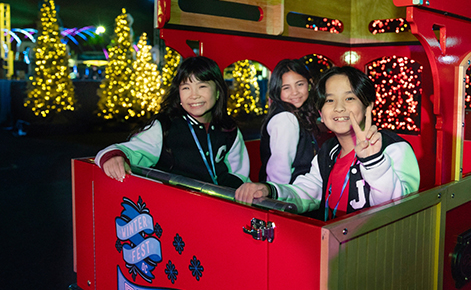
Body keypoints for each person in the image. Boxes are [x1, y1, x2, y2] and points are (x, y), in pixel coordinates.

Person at [236, 66, 419, 219]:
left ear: (368, 106)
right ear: (321, 113)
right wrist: (269, 190)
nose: (339, 108)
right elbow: (306, 192)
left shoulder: (394, 149)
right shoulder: (329, 151)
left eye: (349, 98)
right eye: (330, 100)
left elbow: (398, 211)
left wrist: (374, 162)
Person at [96, 56, 250, 188]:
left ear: (218, 92)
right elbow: (133, 150)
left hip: (222, 207)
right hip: (177, 208)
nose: (194, 95)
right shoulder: (165, 126)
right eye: (186, 88)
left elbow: (239, 175)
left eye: (202, 86)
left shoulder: (229, 130)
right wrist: (115, 157)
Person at [259, 58, 319, 184]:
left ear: (309, 84)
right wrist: (280, 200)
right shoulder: (285, 119)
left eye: (300, 84)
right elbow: (279, 169)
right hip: (291, 195)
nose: (295, 92)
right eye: (286, 88)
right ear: (277, 90)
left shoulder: (297, 113)